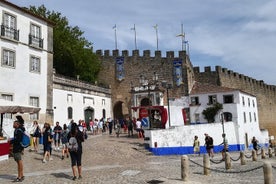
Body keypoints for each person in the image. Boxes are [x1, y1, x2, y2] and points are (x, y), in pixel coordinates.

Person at [10, 115, 25, 182]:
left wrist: (11, 141)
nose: (13, 124)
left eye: (14, 123)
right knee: (19, 162)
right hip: (19, 148)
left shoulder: (18, 130)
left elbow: (18, 140)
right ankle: (21, 175)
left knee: (19, 162)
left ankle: (19, 177)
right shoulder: (20, 129)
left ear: (17, 124)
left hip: (17, 148)